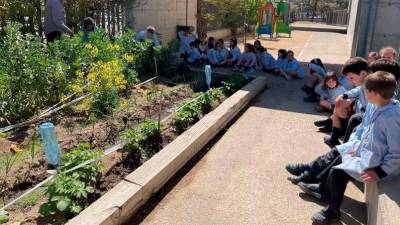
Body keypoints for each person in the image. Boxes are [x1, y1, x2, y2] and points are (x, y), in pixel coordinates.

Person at [300, 71, 400, 224]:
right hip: (369, 156)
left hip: (379, 166)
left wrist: (379, 172)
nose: (362, 93)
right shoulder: (376, 106)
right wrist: (358, 149)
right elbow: (368, 134)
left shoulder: (391, 117)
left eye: (366, 91)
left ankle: (332, 211)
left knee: (337, 172)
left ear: (375, 93)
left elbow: (397, 153)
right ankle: (322, 190)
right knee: (341, 156)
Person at [318, 57, 369, 147]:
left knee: (354, 118)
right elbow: (356, 90)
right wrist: (343, 95)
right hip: (357, 116)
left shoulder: (373, 87)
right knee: (339, 105)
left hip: (363, 124)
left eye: (351, 78)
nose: (350, 81)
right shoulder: (363, 84)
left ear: (363, 73)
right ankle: (336, 136)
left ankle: (342, 139)